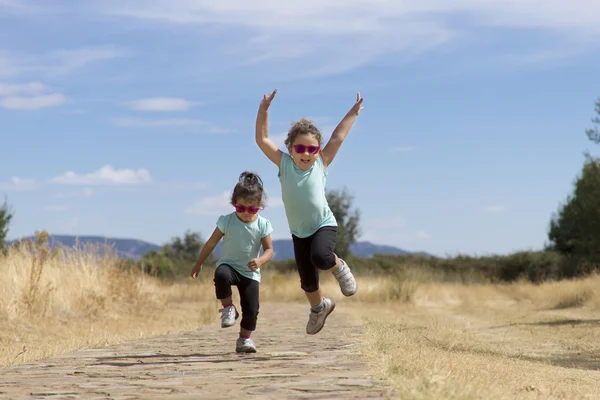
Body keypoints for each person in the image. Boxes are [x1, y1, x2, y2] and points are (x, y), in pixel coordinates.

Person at [254, 89, 363, 335]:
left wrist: (353, 112)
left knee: (321, 257)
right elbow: (262, 139)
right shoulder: (283, 163)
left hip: (324, 224)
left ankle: (339, 267)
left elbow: (338, 137)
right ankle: (319, 308)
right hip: (299, 232)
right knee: (308, 282)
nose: (306, 153)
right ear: (290, 148)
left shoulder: (322, 163)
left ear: (318, 151)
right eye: (300, 148)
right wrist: (264, 109)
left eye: (312, 149)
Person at [190, 171, 274, 353]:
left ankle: (244, 339)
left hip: (250, 271)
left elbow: (269, 250)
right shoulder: (226, 221)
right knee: (221, 274)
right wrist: (199, 263)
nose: (245, 213)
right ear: (234, 203)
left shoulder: (263, 224)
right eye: (240, 208)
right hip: (229, 265)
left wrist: (260, 261)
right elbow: (211, 243)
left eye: (252, 209)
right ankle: (228, 308)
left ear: (259, 206)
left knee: (252, 310)